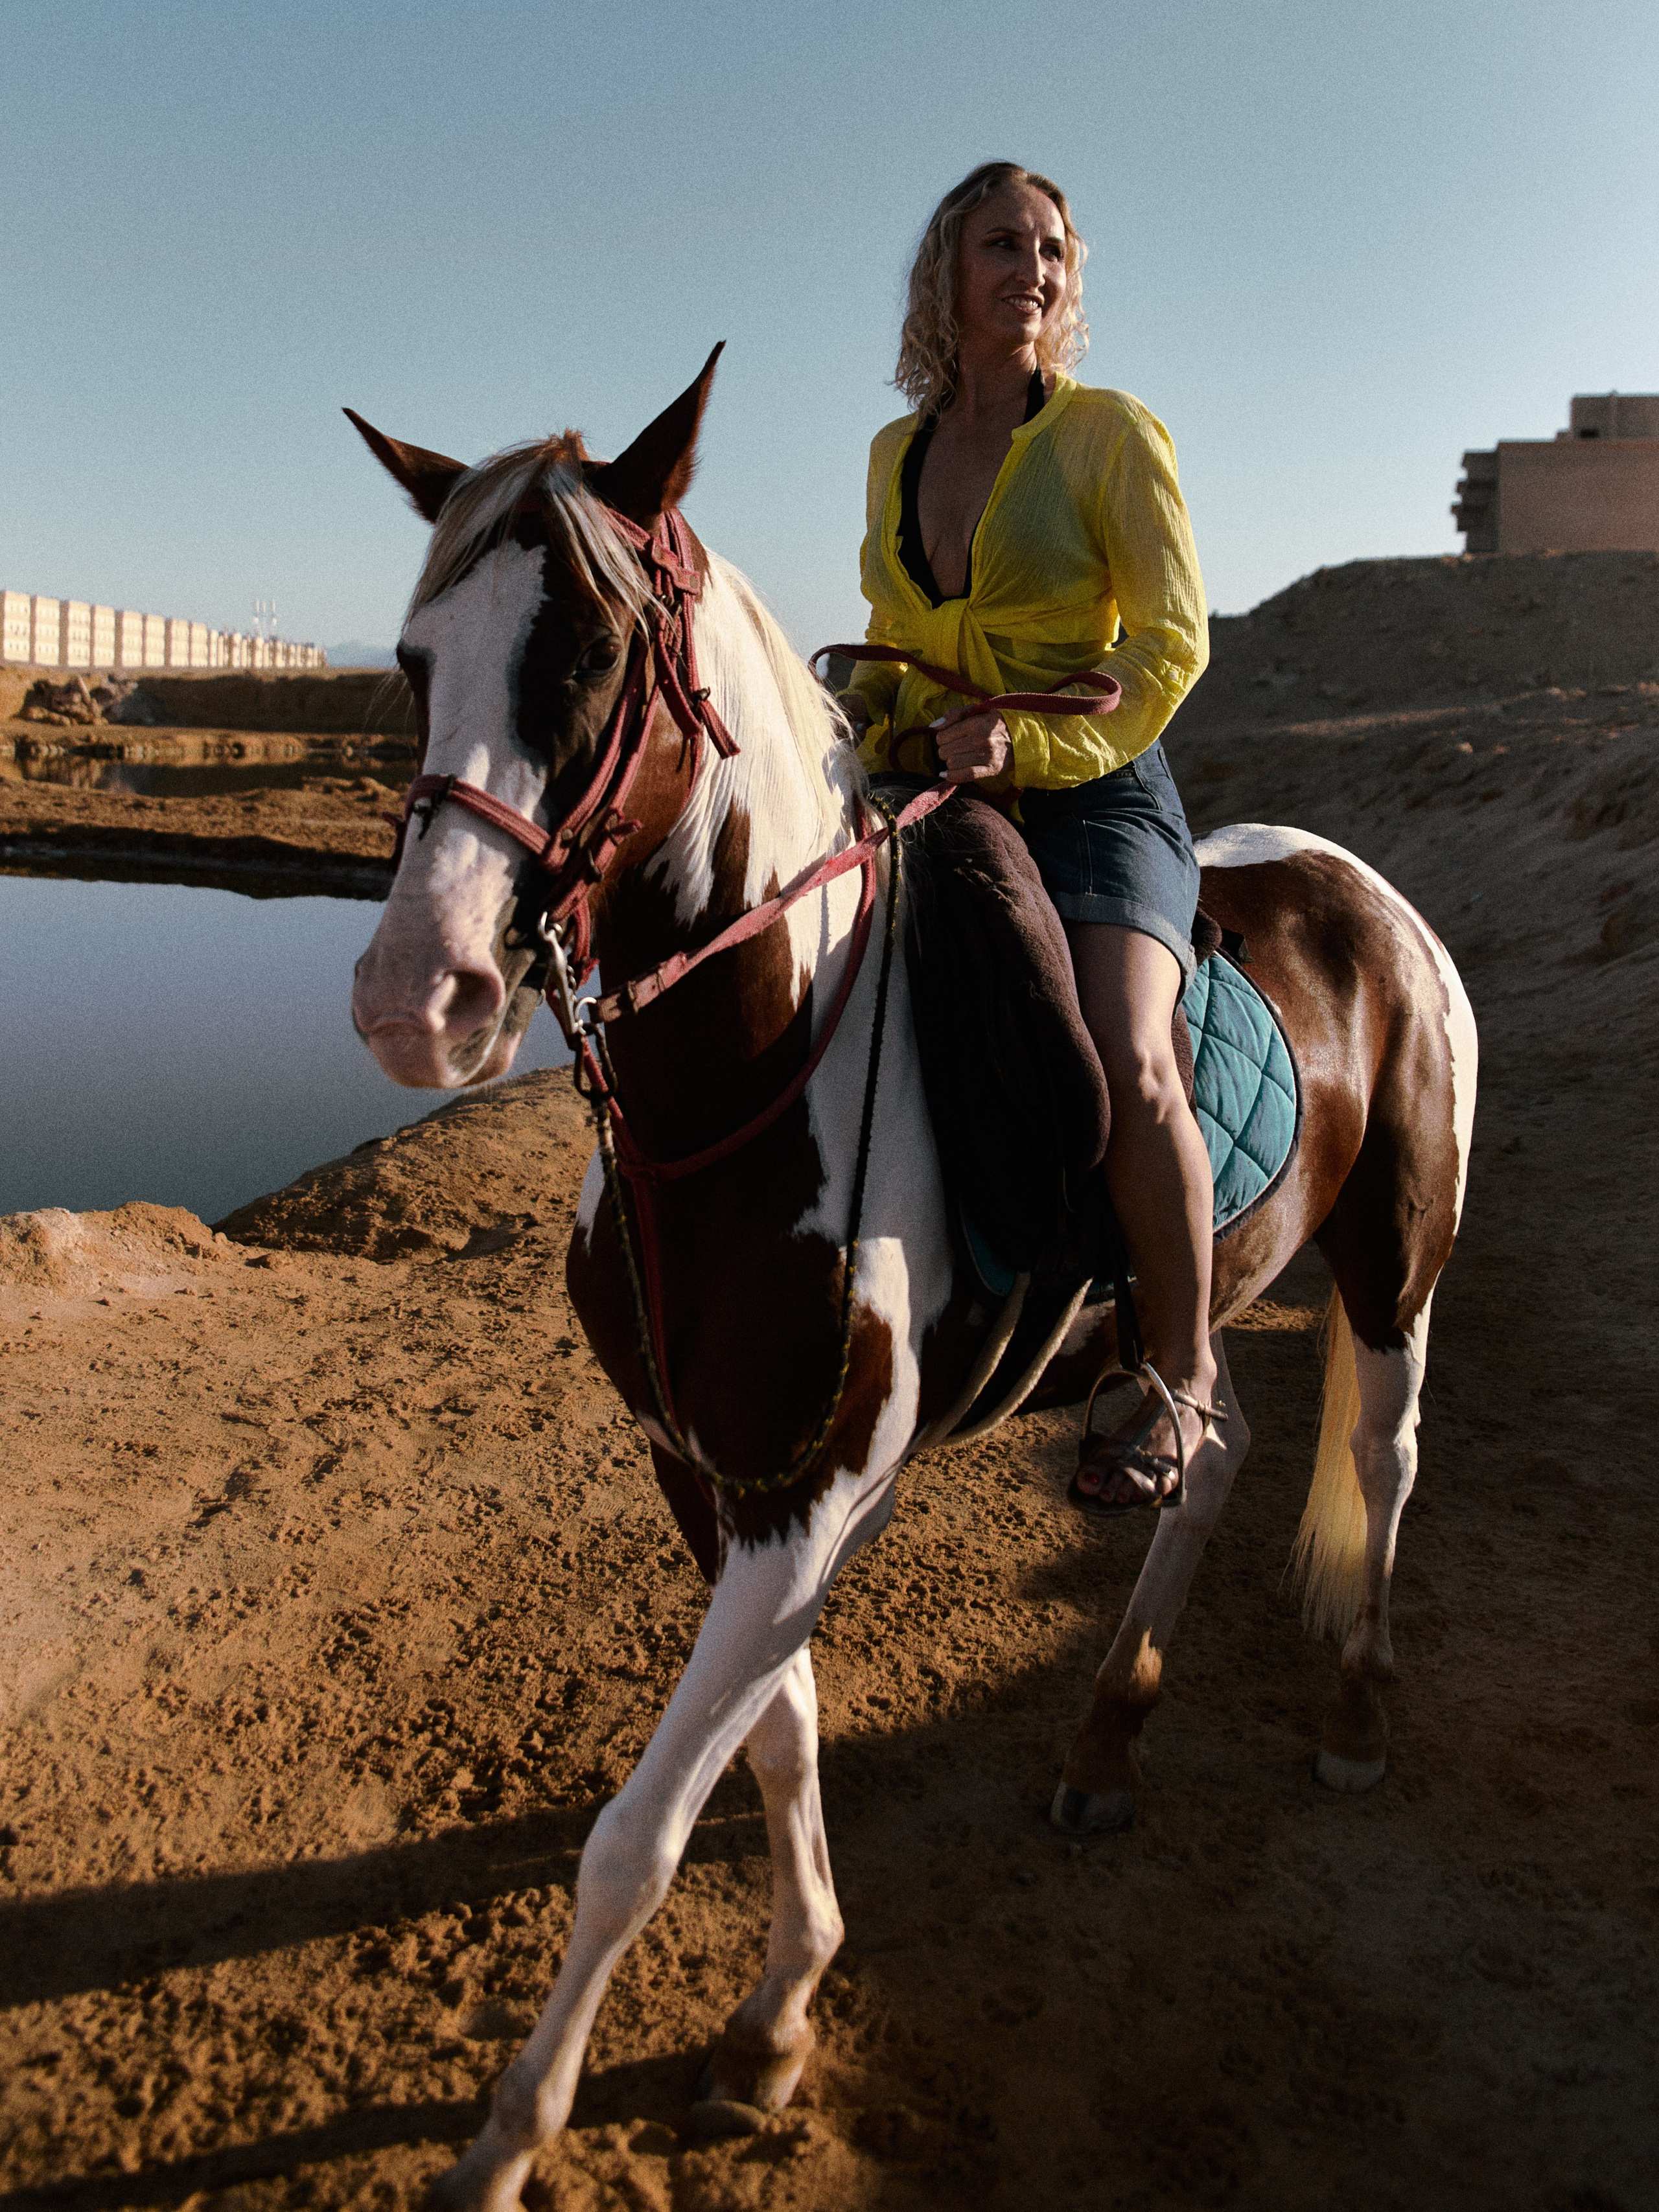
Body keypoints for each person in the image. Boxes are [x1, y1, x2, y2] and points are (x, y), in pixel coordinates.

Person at [840, 159, 1221, 1512]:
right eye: (1003, 245)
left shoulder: (1108, 433)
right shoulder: (894, 454)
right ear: (945, 272)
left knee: (1128, 1054)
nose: (1034, 271)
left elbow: (1170, 644)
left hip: (1093, 786)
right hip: (941, 783)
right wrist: (874, 720)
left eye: (1052, 250)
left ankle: (1180, 1373)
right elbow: (892, 643)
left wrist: (1037, 746)